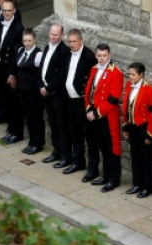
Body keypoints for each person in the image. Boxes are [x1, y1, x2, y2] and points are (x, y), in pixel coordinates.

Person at [84, 43, 124, 187]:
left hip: (107, 116)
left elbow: (113, 99)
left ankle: (113, 178)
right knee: (100, 145)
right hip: (93, 114)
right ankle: (106, 176)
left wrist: (96, 113)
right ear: (96, 55)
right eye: (99, 56)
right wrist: (88, 108)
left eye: (104, 56)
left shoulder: (116, 72)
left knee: (111, 147)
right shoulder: (94, 69)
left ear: (109, 55)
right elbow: (89, 90)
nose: (102, 59)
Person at [59, 29, 96, 175]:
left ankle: (92, 169)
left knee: (89, 136)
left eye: (74, 41)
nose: (71, 44)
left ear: (81, 41)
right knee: (74, 133)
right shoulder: (67, 53)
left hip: (83, 102)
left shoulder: (89, 57)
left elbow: (92, 82)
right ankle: (78, 162)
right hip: (70, 100)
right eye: (69, 41)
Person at [121, 62, 152, 197]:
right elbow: (126, 106)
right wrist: (125, 125)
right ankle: (137, 183)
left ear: (141, 74)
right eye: (129, 74)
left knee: (146, 159)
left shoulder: (150, 90)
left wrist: (150, 135)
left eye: (133, 74)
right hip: (132, 127)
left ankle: (148, 186)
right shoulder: (128, 86)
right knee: (135, 156)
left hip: (144, 128)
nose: (130, 77)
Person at [0, 0, 24, 141]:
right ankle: (10, 130)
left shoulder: (18, 29)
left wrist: (12, 74)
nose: (7, 13)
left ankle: (17, 133)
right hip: (0, 67)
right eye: (4, 11)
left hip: (10, 69)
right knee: (5, 100)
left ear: (14, 11)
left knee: (14, 103)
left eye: (9, 10)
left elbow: (17, 54)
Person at [8, 29, 44, 154]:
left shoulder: (38, 55)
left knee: (35, 117)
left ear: (35, 40)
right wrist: (12, 76)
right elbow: (15, 66)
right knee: (28, 117)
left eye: (29, 40)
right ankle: (32, 141)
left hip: (33, 92)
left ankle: (38, 143)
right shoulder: (20, 51)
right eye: (25, 41)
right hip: (22, 90)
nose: (27, 43)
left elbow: (41, 74)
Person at [39, 23, 70, 165]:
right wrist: (41, 85)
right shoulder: (46, 48)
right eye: (52, 34)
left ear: (62, 35)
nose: (53, 37)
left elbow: (61, 75)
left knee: (61, 125)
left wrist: (49, 88)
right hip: (46, 92)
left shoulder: (64, 51)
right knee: (52, 123)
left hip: (57, 94)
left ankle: (65, 155)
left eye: (56, 34)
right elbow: (42, 69)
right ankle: (56, 151)